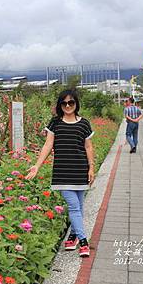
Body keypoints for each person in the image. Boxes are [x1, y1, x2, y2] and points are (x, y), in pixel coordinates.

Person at [25, 89, 95, 258]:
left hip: (80, 170)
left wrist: (91, 167)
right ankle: (83, 241)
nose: (68, 106)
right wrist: (37, 166)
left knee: (79, 206)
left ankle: (72, 237)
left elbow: (88, 147)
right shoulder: (55, 123)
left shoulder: (84, 123)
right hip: (63, 172)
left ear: (76, 103)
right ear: (60, 105)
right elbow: (48, 146)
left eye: (71, 102)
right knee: (74, 206)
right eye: (64, 103)